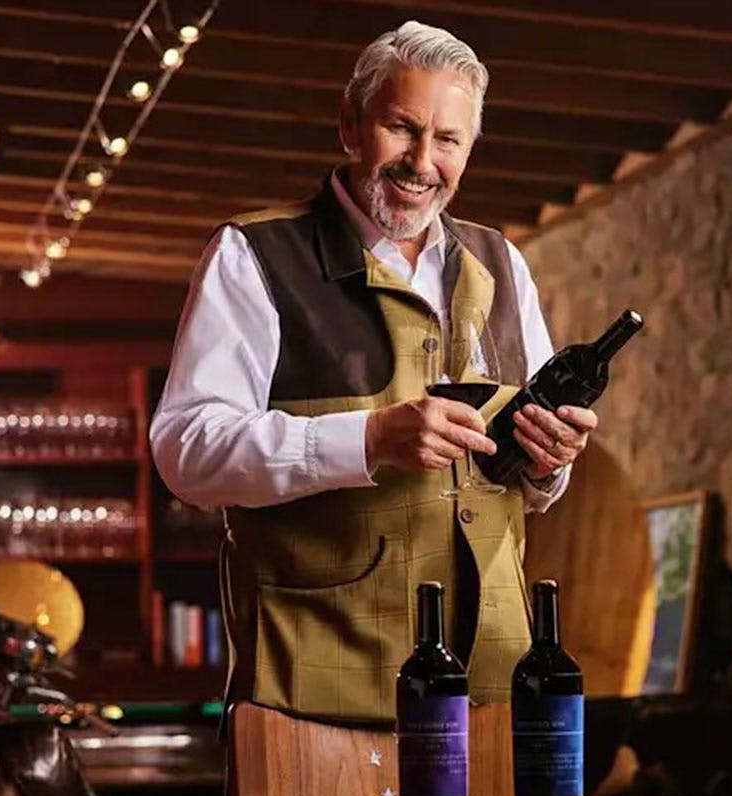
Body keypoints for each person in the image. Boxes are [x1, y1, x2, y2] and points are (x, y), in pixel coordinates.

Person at [150, 21, 597, 723]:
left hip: (495, 688)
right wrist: (367, 440)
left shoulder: (503, 265)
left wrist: (548, 460)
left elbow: (528, 486)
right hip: (316, 688)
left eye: (448, 140)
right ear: (350, 126)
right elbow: (188, 450)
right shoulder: (253, 255)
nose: (422, 161)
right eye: (402, 128)